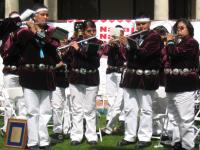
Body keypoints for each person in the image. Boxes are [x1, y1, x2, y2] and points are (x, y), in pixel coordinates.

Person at [13, 4, 61, 150]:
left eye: (47, 15)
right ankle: (33, 142)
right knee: (32, 110)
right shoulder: (23, 32)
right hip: (30, 75)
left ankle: (44, 141)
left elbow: (54, 44)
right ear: (34, 16)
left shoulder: (51, 32)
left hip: (46, 75)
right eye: (43, 14)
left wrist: (37, 32)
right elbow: (15, 44)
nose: (46, 17)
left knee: (45, 111)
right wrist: (31, 31)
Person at [117, 16, 163, 149]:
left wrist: (127, 44)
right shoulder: (133, 36)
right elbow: (126, 56)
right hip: (131, 77)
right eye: (138, 24)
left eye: (143, 24)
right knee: (130, 108)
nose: (140, 27)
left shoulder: (155, 37)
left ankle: (144, 137)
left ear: (149, 24)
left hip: (146, 78)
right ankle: (129, 136)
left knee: (145, 109)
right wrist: (121, 45)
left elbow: (145, 54)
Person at [162, 18, 199, 150]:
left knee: (185, 119)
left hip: (185, 86)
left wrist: (170, 41)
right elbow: (165, 57)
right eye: (177, 28)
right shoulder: (176, 43)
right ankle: (177, 142)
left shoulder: (192, 43)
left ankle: (187, 146)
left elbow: (175, 53)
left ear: (189, 29)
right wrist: (167, 43)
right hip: (172, 85)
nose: (178, 30)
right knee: (174, 117)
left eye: (182, 28)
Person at [67, 20, 103, 145]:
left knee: (90, 109)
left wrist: (78, 49)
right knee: (77, 109)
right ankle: (76, 136)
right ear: (83, 31)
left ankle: (91, 135)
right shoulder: (76, 40)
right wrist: (69, 46)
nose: (92, 33)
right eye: (89, 31)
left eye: (94, 30)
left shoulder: (98, 43)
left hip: (91, 77)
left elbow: (94, 60)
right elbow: (67, 59)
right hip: (76, 77)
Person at [0, 11, 27, 137]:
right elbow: (7, 52)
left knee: (22, 102)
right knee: (9, 102)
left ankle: (20, 130)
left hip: (22, 71)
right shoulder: (5, 36)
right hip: (10, 72)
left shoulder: (22, 34)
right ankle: (7, 128)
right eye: (14, 20)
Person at [101, 25, 126, 135]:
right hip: (110, 71)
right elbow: (104, 52)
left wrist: (120, 44)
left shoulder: (125, 43)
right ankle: (109, 119)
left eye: (119, 33)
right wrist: (110, 43)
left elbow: (125, 55)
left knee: (121, 99)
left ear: (122, 33)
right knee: (110, 97)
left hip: (121, 71)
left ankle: (122, 121)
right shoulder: (110, 43)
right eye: (115, 33)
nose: (117, 35)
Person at [50, 33, 71, 144]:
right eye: (62, 39)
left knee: (69, 107)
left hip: (70, 82)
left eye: (66, 38)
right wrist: (59, 65)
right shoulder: (53, 51)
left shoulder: (70, 51)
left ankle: (68, 129)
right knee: (58, 107)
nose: (64, 40)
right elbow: (49, 66)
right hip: (57, 81)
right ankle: (57, 131)